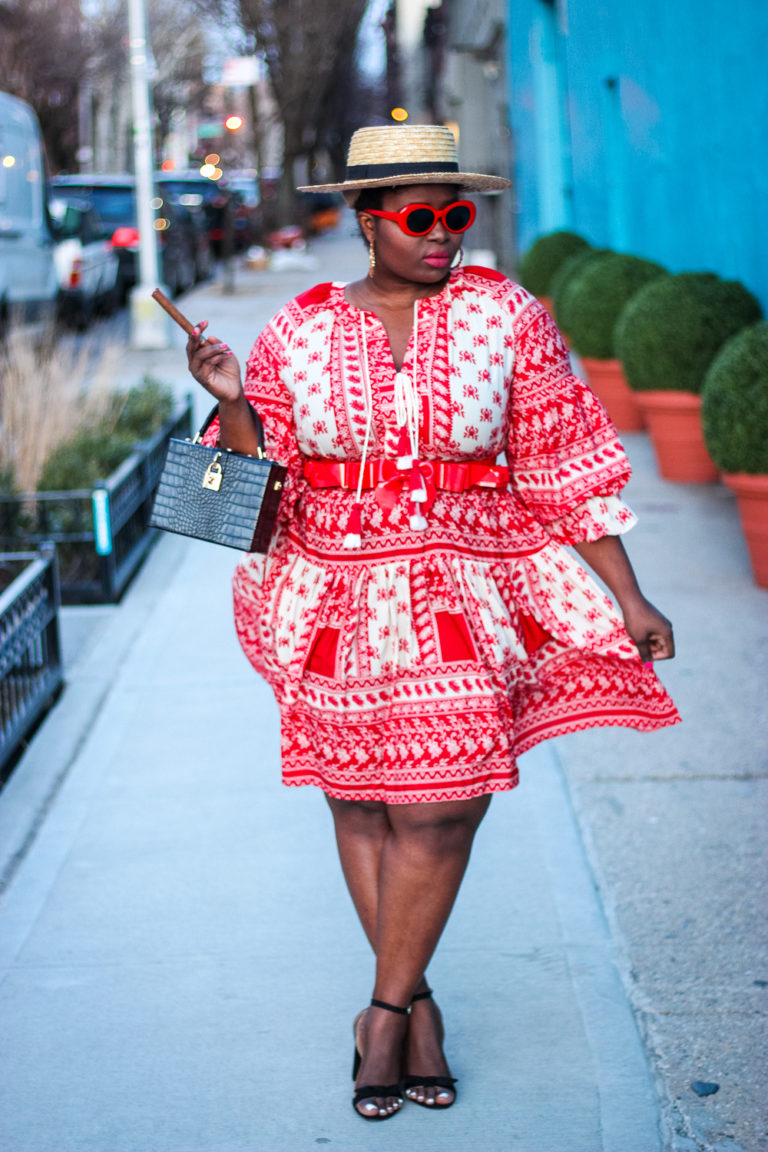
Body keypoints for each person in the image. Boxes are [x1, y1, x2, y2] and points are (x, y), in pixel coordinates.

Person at [185, 124, 679, 1122]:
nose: (447, 233)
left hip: (466, 593)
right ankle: (418, 1011)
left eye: (460, 214)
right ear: (370, 224)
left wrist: (630, 594)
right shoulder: (299, 330)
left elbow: (562, 461)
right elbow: (243, 497)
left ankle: (379, 1013)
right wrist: (234, 402)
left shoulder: (510, 316)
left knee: (442, 805)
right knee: (362, 807)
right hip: (327, 593)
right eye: (423, 217)